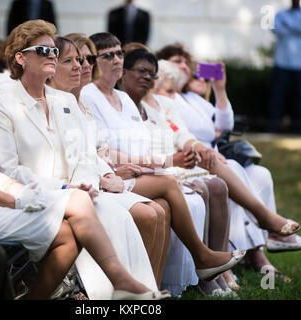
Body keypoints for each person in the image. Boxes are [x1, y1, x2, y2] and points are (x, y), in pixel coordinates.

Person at [0, 21, 164, 300]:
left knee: (69, 233)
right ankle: (120, 281)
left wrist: (30, 191)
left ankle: (100, 287)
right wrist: (18, 198)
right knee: (79, 204)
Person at [0, 21, 161, 300]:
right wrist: (65, 190)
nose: (51, 55)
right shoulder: (2, 106)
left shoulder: (63, 100)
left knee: (117, 214)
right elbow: (7, 169)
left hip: (79, 193)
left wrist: (86, 184)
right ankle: (106, 293)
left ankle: (128, 293)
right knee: (104, 214)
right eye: (43, 50)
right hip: (34, 197)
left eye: (54, 50)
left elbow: (84, 154)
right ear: (20, 57)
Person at [81, 32, 247, 289]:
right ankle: (201, 257)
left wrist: (155, 161)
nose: (116, 59)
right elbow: (101, 149)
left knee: (164, 206)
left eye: (119, 53)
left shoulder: (123, 98)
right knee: (169, 185)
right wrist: (159, 162)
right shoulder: (89, 95)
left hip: (137, 171)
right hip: (112, 175)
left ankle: (154, 287)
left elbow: (142, 141)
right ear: (94, 61)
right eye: (107, 55)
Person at [155, 43, 301, 279]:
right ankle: (256, 250)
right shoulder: (167, 97)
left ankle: (266, 241)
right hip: (195, 159)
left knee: (261, 175)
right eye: (176, 61)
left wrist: (219, 89)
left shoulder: (192, 98)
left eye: (186, 62)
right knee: (234, 171)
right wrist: (208, 138)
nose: (184, 67)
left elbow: (224, 125)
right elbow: (193, 132)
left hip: (212, 156)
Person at [51, 34, 170, 289]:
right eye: (72, 60)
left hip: (101, 178)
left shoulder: (77, 102)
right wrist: (105, 177)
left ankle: (152, 288)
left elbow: (93, 152)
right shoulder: (64, 100)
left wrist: (106, 174)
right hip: (76, 188)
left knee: (160, 209)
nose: (82, 66)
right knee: (152, 210)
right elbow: (73, 157)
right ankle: (134, 289)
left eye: (86, 59)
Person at [119, 49, 237, 297]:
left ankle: (214, 269)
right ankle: (199, 265)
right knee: (196, 188)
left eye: (151, 75)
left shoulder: (156, 106)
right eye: (142, 72)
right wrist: (172, 158)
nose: (147, 79)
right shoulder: (130, 104)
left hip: (165, 164)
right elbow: (146, 146)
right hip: (151, 169)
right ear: (125, 73)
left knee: (218, 181)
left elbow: (185, 133)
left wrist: (195, 147)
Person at [267, 0, 301, 133]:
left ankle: (299, 128)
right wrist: (298, 27)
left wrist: (288, 25)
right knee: (278, 95)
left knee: (300, 96)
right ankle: (273, 126)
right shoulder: (281, 14)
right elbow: (275, 29)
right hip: (282, 61)